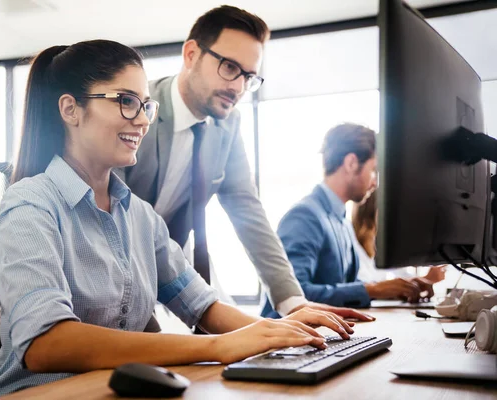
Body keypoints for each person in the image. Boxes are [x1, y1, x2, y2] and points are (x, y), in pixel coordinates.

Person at [0, 39, 358, 398]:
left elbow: (203, 306)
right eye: (126, 101)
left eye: (146, 105)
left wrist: (283, 331)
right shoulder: (30, 206)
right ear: (70, 109)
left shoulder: (140, 216)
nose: (142, 120)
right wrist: (217, 346)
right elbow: (46, 345)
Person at [114, 5, 373, 322]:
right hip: (115, 271)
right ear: (191, 54)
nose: (237, 87)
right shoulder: (137, 110)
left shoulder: (227, 125)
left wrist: (292, 301)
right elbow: (109, 215)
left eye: (248, 76)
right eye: (229, 67)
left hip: (167, 268)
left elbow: (247, 209)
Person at [261, 123, 437, 316]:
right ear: (351, 163)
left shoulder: (341, 218)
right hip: (289, 339)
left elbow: (343, 286)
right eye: (373, 170)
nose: (375, 182)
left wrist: (392, 288)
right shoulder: (305, 216)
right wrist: (373, 290)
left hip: (323, 332)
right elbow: (296, 295)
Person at [351, 191, 446, 284]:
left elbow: (402, 276)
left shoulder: (378, 246)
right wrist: (426, 279)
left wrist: (424, 280)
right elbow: (369, 288)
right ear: (372, 212)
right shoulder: (354, 248)